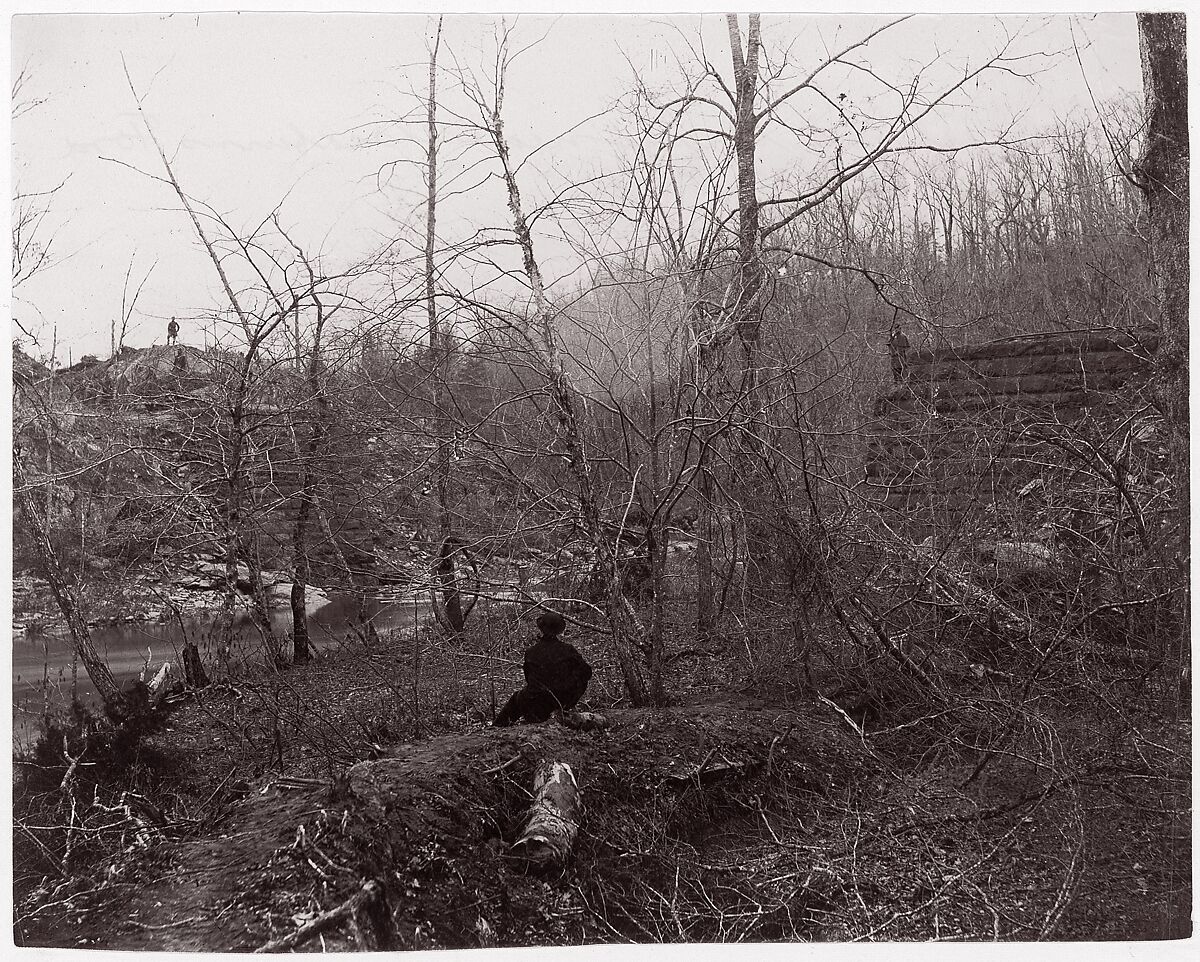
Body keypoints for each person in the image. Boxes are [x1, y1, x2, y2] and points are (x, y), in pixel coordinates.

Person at [494, 611, 592, 726]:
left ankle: (497, 727)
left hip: (537, 703)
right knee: (581, 678)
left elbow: (529, 678)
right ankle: (563, 710)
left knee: (518, 697)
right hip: (563, 699)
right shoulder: (568, 650)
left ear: (541, 629)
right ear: (560, 630)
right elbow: (587, 673)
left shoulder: (531, 652)